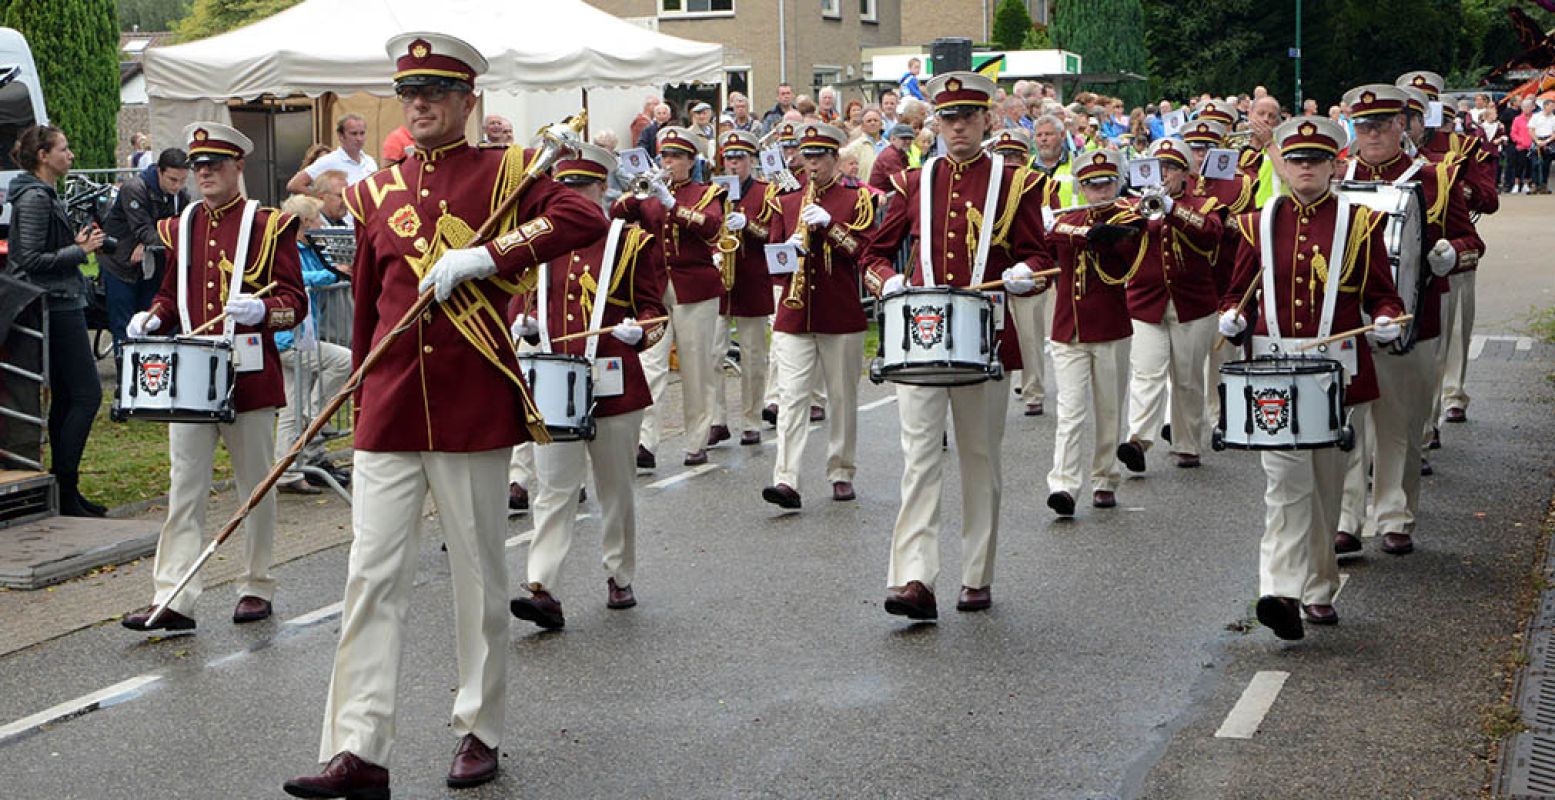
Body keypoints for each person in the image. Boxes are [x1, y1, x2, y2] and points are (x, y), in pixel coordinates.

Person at [281, 33, 606, 798]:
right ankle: (358, 748)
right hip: (391, 404)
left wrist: (492, 257)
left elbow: (582, 220)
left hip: (471, 401)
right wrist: (360, 384)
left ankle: (478, 727)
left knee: (477, 576)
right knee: (371, 574)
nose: (420, 104)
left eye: (435, 92)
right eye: (410, 93)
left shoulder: (509, 172)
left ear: (467, 101)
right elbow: (367, 301)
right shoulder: (373, 192)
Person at [862, 72, 1051, 619]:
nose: (958, 126)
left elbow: (1040, 256)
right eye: (948, 118)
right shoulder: (914, 182)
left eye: (968, 116)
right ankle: (914, 578)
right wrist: (887, 281)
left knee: (979, 458)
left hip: (984, 338)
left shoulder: (1015, 183)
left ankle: (976, 574)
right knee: (918, 459)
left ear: (987, 120)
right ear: (935, 124)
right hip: (919, 339)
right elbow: (875, 252)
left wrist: (1024, 272)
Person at [1217, 116, 1404, 640]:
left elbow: (1381, 295)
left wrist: (1387, 318)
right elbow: (1238, 291)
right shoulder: (1260, 222)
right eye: (1296, 160)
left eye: (1315, 161)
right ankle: (1279, 591)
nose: (1304, 169)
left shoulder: (1361, 223)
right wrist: (1230, 315)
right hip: (1274, 369)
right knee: (1285, 485)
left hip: (1337, 371)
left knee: (1326, 486)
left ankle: (1319, 587)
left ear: (1333, 165)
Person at [119, 121, 309, 630]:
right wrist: (156, 315)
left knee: (254, 486)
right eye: (198, 167)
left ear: (237, 167)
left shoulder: (268, 225)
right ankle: (173, 596)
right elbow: (170, 291)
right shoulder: (183, 226)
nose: (205, 175)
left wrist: (262, 311)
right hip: (191, 374)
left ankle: (256, 583)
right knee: (185, 487)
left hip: (247, 372)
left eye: (215, 166)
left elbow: (297, 304)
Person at [508, 142, 667, 630]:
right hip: (556, 377)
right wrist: (524, 322)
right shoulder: (540, 241)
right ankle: (543, 586)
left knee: (615, 488)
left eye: (582, 187)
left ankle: (619, 574)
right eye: (566, 188)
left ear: (602, 189)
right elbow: (517, 298)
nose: (573, 196)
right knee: (553, 488)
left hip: (614, 377)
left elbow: (654, 309)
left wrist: (641, 331)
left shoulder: (631, 241)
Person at [760, 123, 873, 509]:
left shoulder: (854, 199)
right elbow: (773, 267)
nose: (811, 165)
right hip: (794, 314)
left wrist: (830, 227)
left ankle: (841, 470)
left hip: (839, 311)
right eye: (806, 158)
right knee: (792, 397)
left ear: (835, 158)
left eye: (819, 158)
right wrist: (787, 249)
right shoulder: (787, 200)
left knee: (841, 397)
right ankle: (786, 478)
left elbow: (864, 253)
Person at [4, 125, 109, 517]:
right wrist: (79, 251)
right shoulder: (33, 197)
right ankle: (64, 485)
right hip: (53, 304)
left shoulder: (42, 194)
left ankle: (66, 488)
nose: (71, 155)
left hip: (62, 300)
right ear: (44, 156)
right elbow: (27, 259)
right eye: (64, 149)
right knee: (86, 395)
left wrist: (74, 247)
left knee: (69, 396)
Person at [616, 126, 725, 469]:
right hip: (655, 288)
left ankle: (696, 440)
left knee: (695, 368)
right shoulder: (649, 192)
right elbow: (616, 215)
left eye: (676, 157)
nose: (669, 162)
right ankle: (645, 442)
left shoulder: (708, 192)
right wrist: (638, 190)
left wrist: (671, 203)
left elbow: (711, 228)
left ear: (692, 161)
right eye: (665, 155)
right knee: (650, 368)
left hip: (695, 289)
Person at [1042, 150, 1144, 516]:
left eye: (1106, 185)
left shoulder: (1130, 217)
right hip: (1068, 328)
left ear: (1116, 184)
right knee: (1069, 412)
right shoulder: (1068, 218)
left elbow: (1130, 249)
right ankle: (1064, 485)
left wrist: (1106, 234)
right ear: (1082, 188)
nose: (1100, 193)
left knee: (1108, 409)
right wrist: (1087, 232)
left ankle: (1105, 477)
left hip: (1110, 328)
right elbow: (1052, 235)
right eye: (1092, 186)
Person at [1115, 139, 1223, 474]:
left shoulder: (1205, 205)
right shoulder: (1134, 204)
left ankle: (1187, 443)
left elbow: (1210, 234)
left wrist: (1172, 209)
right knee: (1147, 373)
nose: (1164, 174)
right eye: (1159, 167)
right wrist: (1137, 211)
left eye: (1172, 168)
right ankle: (1139, 440)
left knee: (1188, 378)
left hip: (1193, 304)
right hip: (1146, 302)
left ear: (1185, 173)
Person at [272, 193, 354, 496]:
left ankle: (286, 472)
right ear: (304, 223)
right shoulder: (287, 248)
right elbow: (297, 278)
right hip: (290, 338)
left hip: (299, 336)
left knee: (291, 410)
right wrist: (333, 273)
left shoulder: (306, 247)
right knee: (344, 360)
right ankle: (316, 415)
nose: (321, 223)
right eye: (316, 218)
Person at [709, 130, 775, 449]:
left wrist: (746, 224)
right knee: (712, 354)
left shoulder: (766, 191)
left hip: (752, 278)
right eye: (729, 158)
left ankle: (751, 420)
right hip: (720, 280)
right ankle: (717, 419)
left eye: (739, 159)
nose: (733, 164)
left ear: (751, 160)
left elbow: (773, 233)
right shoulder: (714, 191)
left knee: (752, 357)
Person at [98, 147, 191, 343]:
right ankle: (124, 369)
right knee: (124, 327)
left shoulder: (181, 196)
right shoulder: (134, 189)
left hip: (151, 265)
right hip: (120, 264)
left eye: (182, 180)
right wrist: (148, 242)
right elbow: (144, 230)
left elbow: (181, 228)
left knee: (151, 323)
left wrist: (149, 244)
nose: (177, 186)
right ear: (159, 171)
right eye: (173, 180)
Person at [990, 128, 1052, 417]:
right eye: (1003, 155)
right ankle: (1002, 379)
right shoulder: (990, 189)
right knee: (997, 332)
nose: (1009, 161)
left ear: (1025, 158)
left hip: (1029, 272)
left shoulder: (1039, 184)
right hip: (995, 272)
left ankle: (1033, 390)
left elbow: (1050, 233)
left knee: (1030, 333)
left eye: (1015, 155)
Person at [286, 114, 377, 193]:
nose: (359, 138)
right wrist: (323, 200)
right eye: (354, 134)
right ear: (341, 136)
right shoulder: (329, 161)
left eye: (362, 133)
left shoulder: (370, 161)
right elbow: (294, 185)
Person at [868, 123, 914, 193]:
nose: (908, 141)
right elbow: (901, 181)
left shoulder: (901, 153)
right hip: (882, 198)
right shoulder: (890, 155)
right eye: (903, 138)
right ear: (893, 139)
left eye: (910, 138)